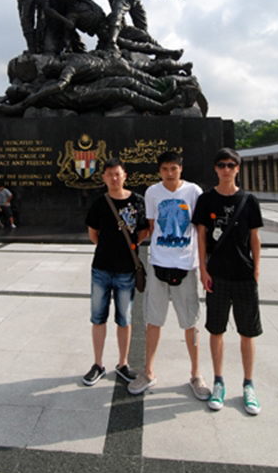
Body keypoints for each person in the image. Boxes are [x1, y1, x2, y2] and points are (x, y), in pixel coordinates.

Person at [127, 152, 210, 401]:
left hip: (186, 265)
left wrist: (203, 266)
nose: (169, 173)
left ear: (181, 169)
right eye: (165, 169)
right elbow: (153, 226)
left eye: (173, 168)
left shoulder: (194, 192)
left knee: (190, 323)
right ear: (159, 171)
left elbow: (200, 229)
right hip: (159, 264)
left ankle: (196, 374)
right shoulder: (152, 193)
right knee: (153, 321)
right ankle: (148, 371)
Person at [192, 148, 263, 415]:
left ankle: (248, 384)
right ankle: (218, 381)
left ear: (237, 169)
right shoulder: (206, 199)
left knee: (247, 332)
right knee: (216, 329)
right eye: (221, 164)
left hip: (244, 275)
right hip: (217, 274)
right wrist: (203, 269)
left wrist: (257, 270)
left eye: (230, 165)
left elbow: (255, 238)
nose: (226, 169)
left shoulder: (249, 200)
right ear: (215, 168)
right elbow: (201, 236)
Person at [83, 158, 149, 386]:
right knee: (98, 317)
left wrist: (128, 246)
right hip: (101, 268)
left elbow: (143, 231)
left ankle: (123, 363)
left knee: (124, 319)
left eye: (117, 174)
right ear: (103, 177)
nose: (114, 178)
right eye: (109, 174)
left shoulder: (137, 201)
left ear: (124, 176)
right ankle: (98, 364)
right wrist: (109, 247)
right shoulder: (99, 203)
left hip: (126, 270)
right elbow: (93, 234)